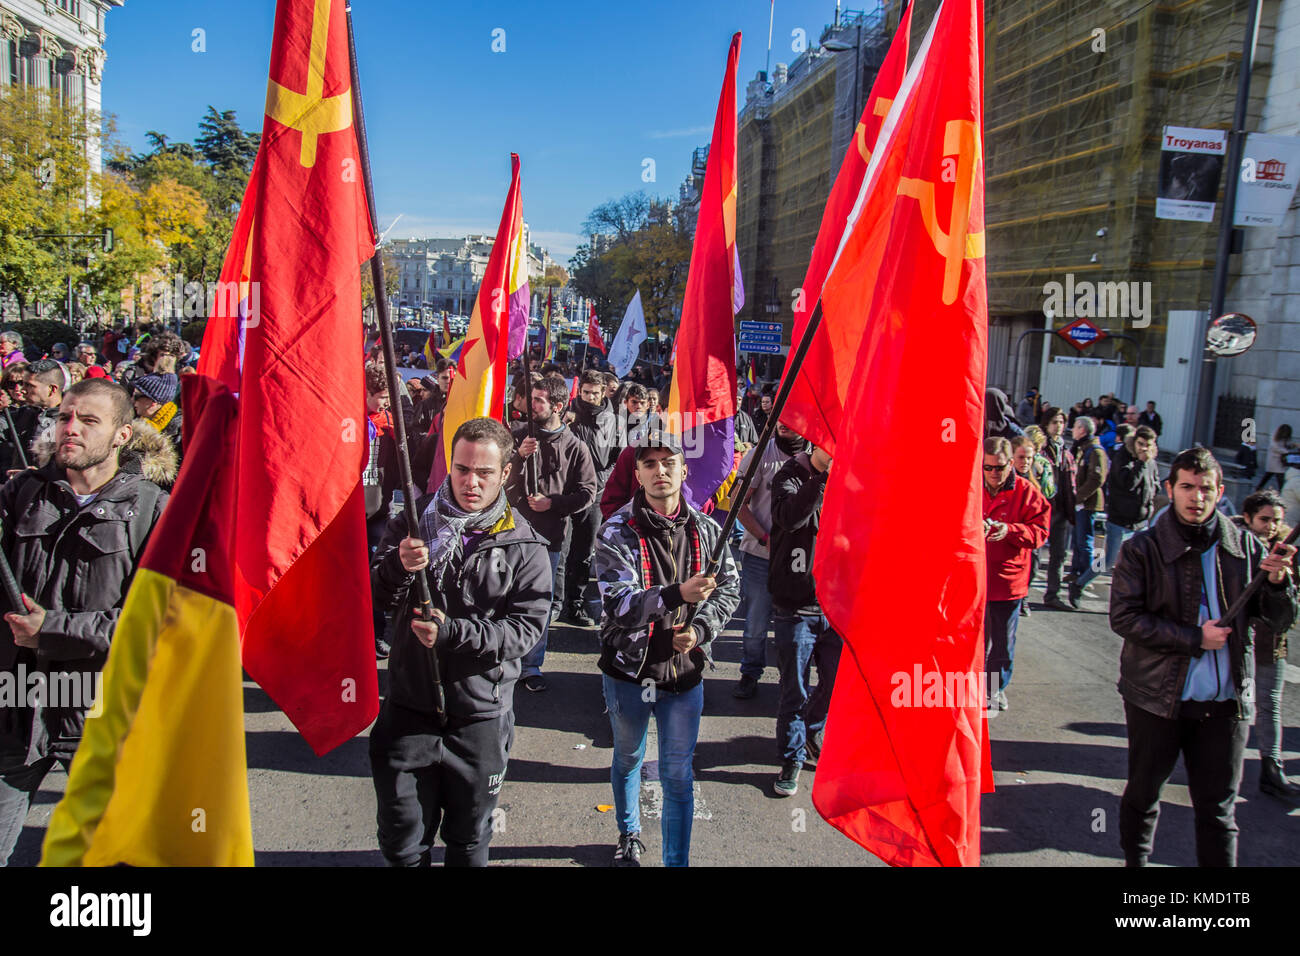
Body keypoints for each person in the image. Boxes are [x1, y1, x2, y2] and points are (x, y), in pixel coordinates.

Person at [368, 417, 551, 867]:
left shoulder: (525, 545)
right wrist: (397, 566)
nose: (471, 482)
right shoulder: (411, 523)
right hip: (408, 711)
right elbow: (373, 597)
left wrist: (451, 633)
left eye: (484, 472)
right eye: (462, 469)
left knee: (469, 842)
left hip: (480, 719)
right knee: (402, 844)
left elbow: (525, 631)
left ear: (505, 473)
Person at [0, 379, 169, 865]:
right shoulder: (21, 495)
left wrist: (50, 628)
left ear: (123, 434)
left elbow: (155, 624)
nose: (69, 429)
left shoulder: (152, 510)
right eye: (64, 418)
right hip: (17, 708)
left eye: (88, 420)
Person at [1110, 448, 1297, 866]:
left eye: (1206, 489)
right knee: (1143, 795)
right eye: (1187, 487)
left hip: (1226, 704)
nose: (1197, 497)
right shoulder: (1144, 548)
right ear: (1170, 489)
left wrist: (1279, 584)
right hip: (1158, 698)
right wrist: (1194, 638)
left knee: (1217, 811)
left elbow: (1278, 621)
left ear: (1220, 492)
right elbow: (1124, 618)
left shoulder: (1245, 546)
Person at [595, 431, 740, 866]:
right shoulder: (616, 530)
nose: (661, 471)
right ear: (637, 474)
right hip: (629, 674)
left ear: (684, 469)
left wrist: (702, 632)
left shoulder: (709, 530)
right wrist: (678, 593)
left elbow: (729, 591)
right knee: (629, 758)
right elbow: (618, 604)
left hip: (684, 677)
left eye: (669, 462)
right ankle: (629, 832)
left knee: (678, 776)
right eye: (650, 463)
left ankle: (676, 860)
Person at [505, 373, 597, 691]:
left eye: (539, 400)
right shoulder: (518, 435)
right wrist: (518, 457)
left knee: (538, 602)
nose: (531, 405)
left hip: (548, 536)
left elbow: (587, 494)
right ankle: (504, 661)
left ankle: (531, 666)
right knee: (505, 599)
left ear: (557, 406)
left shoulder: (575, 448)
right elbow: (498, 481)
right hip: (509, 535)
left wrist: (552, 503)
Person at [768, 439, 841, 797]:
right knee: (794, 688)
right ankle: (791, 757)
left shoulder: (851, 477)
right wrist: (823, 480)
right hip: (795, 606)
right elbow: (789, 517)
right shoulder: (790, 475)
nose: (840, 453)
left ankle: (813, 731)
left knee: (835, 683)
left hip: (838, 606)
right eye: (832, 446)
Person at [1233, 490, 1297, 803]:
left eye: (1277, 521)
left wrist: (1281, 582)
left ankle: (1272, 768)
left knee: (1270, 704)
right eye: (1264, 519)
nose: (1271, 526)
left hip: (1271, 643)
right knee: (1238, 706)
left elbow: (1289, 609)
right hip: (1237, 644)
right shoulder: (1234, 546)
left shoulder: (1287, 551)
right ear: (1248, 518)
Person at [733, 423, 804, 700]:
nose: (785, 423)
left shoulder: (818, 456)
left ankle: (791, 680)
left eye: (793, 416)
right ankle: (750, 672)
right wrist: (765, 537)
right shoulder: (760, 453)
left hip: (800, 560)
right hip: (760, 556)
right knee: (755, 623)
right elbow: (737, 503)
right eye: (781, 415)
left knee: (796, 626)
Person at [982, 437, 1050, 709]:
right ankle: (969, 687)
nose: (993, 473)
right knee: (973, 643)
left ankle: (994, 689)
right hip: (974, 580)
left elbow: (1041, 533)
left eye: (999, 467)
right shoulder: (971, 488)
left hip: (1008, 583)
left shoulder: (1028, 493)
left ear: (1011, 464)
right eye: (987, 468)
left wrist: (1010, 531)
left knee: (1002, 644)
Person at [560, 370, 617, 627]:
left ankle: (575, 603)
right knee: (560, 551)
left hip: (594, 496)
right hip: (566, 494)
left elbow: (616, 458)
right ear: (579, 390)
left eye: (595, 393)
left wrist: (598, 481)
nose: (590, 397)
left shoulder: (613, 420)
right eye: (586, 392)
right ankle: (553, 603)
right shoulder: (567, 415)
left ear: (604, 391)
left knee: (583, 553)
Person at [1066, 415, 1108, 609]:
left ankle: (1084, 576)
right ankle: (1076, 570)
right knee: (1078, 540)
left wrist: (1078, 497)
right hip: (1080, 504)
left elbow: (1096, 478)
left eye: (1075, 427)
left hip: (1089, 505)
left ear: (1082, 429)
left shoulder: (1095, 451)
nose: (1072, 430)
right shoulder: (1083, 448)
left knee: (1088, 542)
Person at [1104, 425, 1158, 572]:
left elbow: (1155, 482)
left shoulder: (1150, 460)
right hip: (1120, 519)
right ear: (1134, 441)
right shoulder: (1123, 456)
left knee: (1138, 563)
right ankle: (1080, 583)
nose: (1144, 449)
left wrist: (1152, 495)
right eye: (1140, 444)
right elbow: (1129, 484)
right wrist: (1140, 463)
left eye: (1148, 445)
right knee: (1108, 562)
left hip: (1141, 520)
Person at [130, 372, 183, 462]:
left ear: (153, 402)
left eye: (136, 396)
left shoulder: (180, 428)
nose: (132, 400)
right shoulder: (137, 421)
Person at [1256, 424, 1295, 492]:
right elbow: (1274, 447)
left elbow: (1287, 444)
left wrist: (1292, 445)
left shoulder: (1285, 437)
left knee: (1272, 476)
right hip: (1273, 460)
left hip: (1280, 461)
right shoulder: (1274, 435)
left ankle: (1259, 488)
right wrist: (1286, 451)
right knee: (1271, 476)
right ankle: (1259, 488)